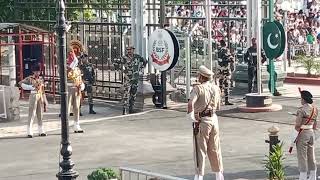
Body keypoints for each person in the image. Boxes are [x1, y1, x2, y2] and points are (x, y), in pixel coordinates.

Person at [187, 65, 224, 180]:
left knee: (200, 149)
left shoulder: (198, 88)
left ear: (201, 77)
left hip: (202, 121)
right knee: (215, 148)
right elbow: (218, 106)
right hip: (214, 119)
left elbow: (190, 104)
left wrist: (191, 116)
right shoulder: (215, 88)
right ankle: (219, 175)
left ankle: (199, 176)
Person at [113, 46, 147, 114]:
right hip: (128, 79)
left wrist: (141, 68)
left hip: (135, 78)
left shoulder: (137, 57)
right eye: (128, 50)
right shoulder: (124, 58)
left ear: (133, 50)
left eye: (130, 50)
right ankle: (124, 109)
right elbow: (115, 63)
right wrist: (121, 71)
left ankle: (131, 109)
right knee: (126, 94)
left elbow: (145, 61)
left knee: (133, 94)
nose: (129, 51)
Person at [293, 90, 318, 180]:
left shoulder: (301, 110)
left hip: (303, 133)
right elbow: (315, 125)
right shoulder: (315, 109)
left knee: (302, 156)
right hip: (311, 133)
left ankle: (303, 177)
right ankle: (313, 176)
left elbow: (297, 125)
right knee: (311, 155)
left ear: (303, 99)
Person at [19, 64, 48, 138]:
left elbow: (43, 90)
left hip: (40, 96)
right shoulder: (30, 78)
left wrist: (45, 100)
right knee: (32, 113)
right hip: (33, 95)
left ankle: (41, 130)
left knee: (40, 114)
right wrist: (30, 87)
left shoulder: (41, 79)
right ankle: (29, 131)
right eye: (36, 71)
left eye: (39, 71)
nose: (38, 73)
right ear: (33, 71)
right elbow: (20, 83)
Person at [67, 49, 85, 133]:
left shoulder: (77, 69)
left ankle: (76, 125)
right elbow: (69, 73)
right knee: (67, 108)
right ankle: (65, 125)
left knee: (77, 108)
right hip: (69, 90)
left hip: (77, 90)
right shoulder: (67, 68)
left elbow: (79, 78)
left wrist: (81, 85)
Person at [217, 40, 234, 105]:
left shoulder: (219, 51)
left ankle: (219, 100)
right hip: (225, 69)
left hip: (220, 69)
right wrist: (231, 59)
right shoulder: (226, 50)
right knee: (226, 84)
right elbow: (229, 59)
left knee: (220, 85)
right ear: (225, 44)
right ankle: (226, 100)